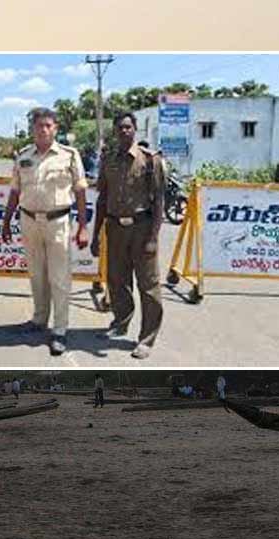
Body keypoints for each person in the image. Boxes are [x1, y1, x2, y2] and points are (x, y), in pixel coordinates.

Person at [1, 107, 88, 356]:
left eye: (48, 125)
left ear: (56, 128)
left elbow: (80, 191)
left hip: (58, 221)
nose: (44, 129)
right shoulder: (24, 156)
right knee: (36, 274)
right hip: (29, 220)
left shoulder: (69, 155)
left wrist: (82, 227)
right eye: (39, 125)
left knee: (59, 278)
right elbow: (15, 191)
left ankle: (59, 330)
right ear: (33, 129)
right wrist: (7, 222)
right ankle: (39, 319)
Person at [92, 112, 166, 360]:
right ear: (114, 131)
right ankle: (121, 321)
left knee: (149, 285)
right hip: (115, 228)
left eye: (128, 127)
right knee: (117, 280)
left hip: (142, 228)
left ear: (135, 130)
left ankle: (147, 338)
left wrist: (154, 237)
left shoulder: (150, 160)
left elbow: (159, 202)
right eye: (120, 127)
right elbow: (102, 199)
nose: (124, 131)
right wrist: (96, 235)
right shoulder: (109, 160)